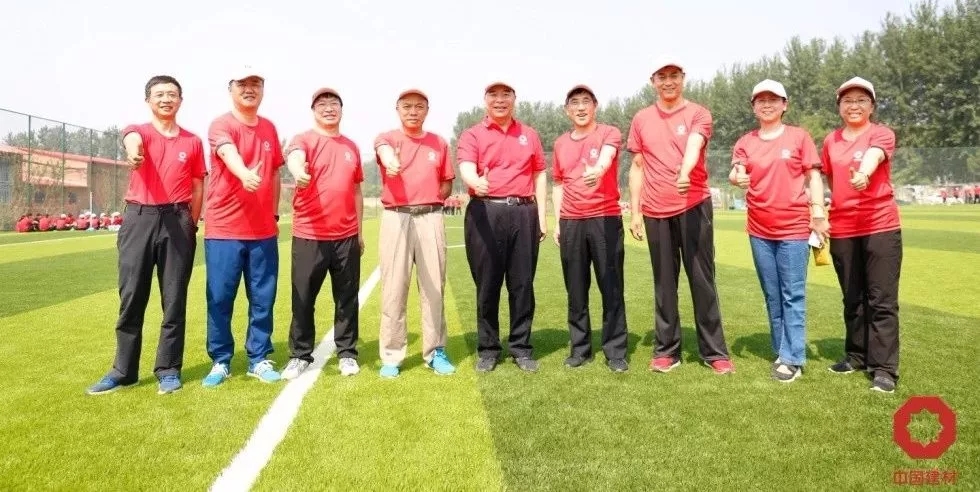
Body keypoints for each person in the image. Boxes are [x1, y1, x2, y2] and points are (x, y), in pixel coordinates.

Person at [86, 75, 206, 395]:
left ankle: (168, 369)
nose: (166, 99)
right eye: (159, 94)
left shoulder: (193, 142)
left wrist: (191, 223)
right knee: (131, 296)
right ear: (148, 100)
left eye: (172, 94)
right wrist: (134, 153)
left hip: (178, 220)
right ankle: (124, 370)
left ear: (181, 100)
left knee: (174, 299)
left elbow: (198, 185)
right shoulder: (138, 132)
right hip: (138, 219)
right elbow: (131, 139)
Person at [626, 57, 734, 375]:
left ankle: (714, 352)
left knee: (702, 280)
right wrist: (635, 212)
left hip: (693, 205)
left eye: (674, 75)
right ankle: (666, 350)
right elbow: (637, 167)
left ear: (683, 78)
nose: (668, 81)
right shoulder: (641, 118)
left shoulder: (698, 113)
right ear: (653, 82)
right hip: (655, 209)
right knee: (664, 283)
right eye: (662, 77)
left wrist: (685, 172)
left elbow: (694, 145)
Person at [729, 79, 828, 383]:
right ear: (753, 107)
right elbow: (737, 170)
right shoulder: (746, 141)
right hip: (759, 230)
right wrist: (736, 177)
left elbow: (813, 176)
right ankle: (781, 350)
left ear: (785, 105)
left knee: (792, 294)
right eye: (761, 100)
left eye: (773, 99)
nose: (767, 104)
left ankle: (792, 358)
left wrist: (818, 213)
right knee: (772, 295)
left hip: (794, 229)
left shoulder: (799, 137)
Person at [457, 79, 547, 373]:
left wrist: (542, 216)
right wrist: (475, 181)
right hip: (485, 212)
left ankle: (521, 347)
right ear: (485, 100)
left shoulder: (529, 134)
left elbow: (539, 174)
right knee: (488, 284)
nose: (499, 100)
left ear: (514, 98)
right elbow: (466, 166)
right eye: (493, 94)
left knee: (522, 284)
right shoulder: (472, 134)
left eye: (505, 94)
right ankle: (488, 349)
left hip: (523, 212)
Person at [202, 66, 284, 387]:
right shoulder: (221, 124)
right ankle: (220, 360)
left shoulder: (270, 128)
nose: (249, 89)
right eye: (242, 84)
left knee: (263, 298)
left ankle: (258, 358)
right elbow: (227, 152)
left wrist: (274, 215)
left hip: (263, 231)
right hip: (224, 230)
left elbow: (275, 173)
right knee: (220, 298)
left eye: (256, 84)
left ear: (263, 89)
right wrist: (244, 173)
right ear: (231, 88)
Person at [368, 88, 456, 378]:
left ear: (427, 111)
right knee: (394, 288)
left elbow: (446, 183)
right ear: (398, 109)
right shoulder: (388, 138)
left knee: (434, 288)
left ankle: (436, 351)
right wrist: (390, 161)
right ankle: (392, 355)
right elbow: (382, 149)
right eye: (407, 106)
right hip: (397, 217)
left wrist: (430, 200)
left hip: (430, 217)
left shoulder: (439, 143)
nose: (413, 111)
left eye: (419, 106)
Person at [822, 76, 902, 394]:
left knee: (881, 300)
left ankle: (883, 368)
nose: (854, 106)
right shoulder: (831, 141)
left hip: (880, 225)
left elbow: (874, 155)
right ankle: (856, 355)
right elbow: (830, 178)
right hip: (843, 227)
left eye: (861, 100)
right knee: (852, 297)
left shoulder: (881, 133)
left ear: (872, 106)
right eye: (847, 101)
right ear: (839, 106)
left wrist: (864, 174)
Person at [280, 87, 365, 380]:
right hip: (310, 235)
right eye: (322, 104)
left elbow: (356, 190)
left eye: (334, 103)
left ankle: (347, 353)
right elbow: (294, 157)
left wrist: (359, 233)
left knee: (347, 298)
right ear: (313, 110)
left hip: (346, 236)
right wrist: (298, 172)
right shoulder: (304, 139)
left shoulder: (351, 146)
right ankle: (299, 355)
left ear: (341, 109)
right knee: (303, 298)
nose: (329, 108)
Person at [551, 84, 628, 373]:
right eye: (575, 102)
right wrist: (558, 221)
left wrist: (598, 170)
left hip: (604, 218)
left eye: (586, 101)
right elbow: (558, 184)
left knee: (611, 287)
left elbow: (606, 156)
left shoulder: (609, 132)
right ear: (567, 110)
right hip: (571, 221)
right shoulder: (560, 144)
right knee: (575, 289)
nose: (581, 107)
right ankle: (580, 349)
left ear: (595, 106)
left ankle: (615, 351)